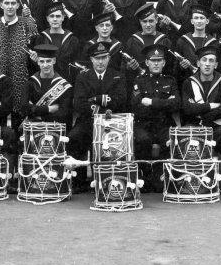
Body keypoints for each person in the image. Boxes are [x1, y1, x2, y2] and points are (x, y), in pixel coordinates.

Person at [72, 41, 127, 189]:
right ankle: (79, 181)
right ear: (91, 59)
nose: (101, 61)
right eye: (97, 58)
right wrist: (103, 108)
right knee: (75, 137)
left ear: (109, 58)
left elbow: (121, 100)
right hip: (88, 120)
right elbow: (78, 103)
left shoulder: (118, 76)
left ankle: (109, 178)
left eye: (104, 57)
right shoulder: (83, 77)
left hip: (112, 123)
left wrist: (95, 99)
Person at [181, 45, 221, 194]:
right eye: (204, 60)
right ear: (198, 63)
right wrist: (211, 105)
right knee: (183, 136)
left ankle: (220, 180)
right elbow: (187, 109)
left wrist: (203, 112)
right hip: (194, 123)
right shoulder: (188, 82)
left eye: (211, 61)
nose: (207, 64)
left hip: (216, 123)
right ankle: (189, 179)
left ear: (216, 64)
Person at [0, 0, 38, 122]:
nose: (10, 6)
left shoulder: (28, 24)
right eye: (6, 3)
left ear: (18, 5)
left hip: (21, 76)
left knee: (19, 115)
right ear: (1, 5)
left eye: (13, 3)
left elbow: (35, 47)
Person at [130, 44, 180, 191]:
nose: (156, 63)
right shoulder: (139, 81)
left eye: (159, 60)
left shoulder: (170, 81)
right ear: (146, 62)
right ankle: (145, 175)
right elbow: (136, 107)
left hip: (164, 124)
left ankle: (161, 176)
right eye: (153, 60)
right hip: (144, 123)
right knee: (142, 140)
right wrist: (165, 103)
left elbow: (176, 104)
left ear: (164, 63)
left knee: (170, 141)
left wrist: (151, 102)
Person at [31, 1, 81, 83]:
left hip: (67, 81)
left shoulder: (73, 40)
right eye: (52, 16)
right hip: (47, 82)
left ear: (63, 17)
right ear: (47, 18)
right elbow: (36, 66)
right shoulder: (41, 39)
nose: (55, 19)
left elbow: (76, 63)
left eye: (58, 16)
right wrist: (34, 60)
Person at [23, 44, 73, 124]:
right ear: (38, 62)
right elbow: (24, 108)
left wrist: (39, 115)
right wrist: (49, 109)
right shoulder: (31, 83)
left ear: (54, 61)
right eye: (42, 61)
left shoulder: (64, 85)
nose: (45, 65)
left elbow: (63, 113)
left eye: (48, 61)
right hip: (34, 127)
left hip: (55, 127)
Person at [124, 3, 173, 81]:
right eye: (144, 21)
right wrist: (129, 66)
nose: (148, 25)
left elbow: (170, 68)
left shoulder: (165, 40)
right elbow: (124, 69)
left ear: (156, 20)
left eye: (151, 21)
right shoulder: (133, 41)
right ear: (140, 22)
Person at [173, 3, 219, 84]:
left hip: (209, 83)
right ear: (192, 21)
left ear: (207, 21)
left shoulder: (214, 43)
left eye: (202, 18)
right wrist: (182, 66)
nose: (199, 21)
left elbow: (218, 68)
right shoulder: (183, 41)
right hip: (187, 83)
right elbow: (175, 69)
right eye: (196, 18)